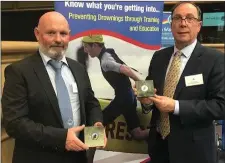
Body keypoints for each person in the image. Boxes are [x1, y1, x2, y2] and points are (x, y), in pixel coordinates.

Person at [1, 11, 106, 163]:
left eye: (63, 34)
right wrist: (61, 138)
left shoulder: (78, 68)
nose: (58, 39)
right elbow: (14, 123)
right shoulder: (18, 71)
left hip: (79, 156)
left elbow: (91, 103)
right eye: (51, 33)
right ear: (37, 34)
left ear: (69, 35)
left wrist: (97, 123)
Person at [137, 2, 225, 163]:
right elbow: (151, 95)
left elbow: (220, 106)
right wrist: (147, 102)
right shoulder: (159, 57)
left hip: (194, 152)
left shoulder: (215, 60)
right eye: (177, 18)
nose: (183, 23)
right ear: (171, 25)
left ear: (199, 26)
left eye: (189, 18)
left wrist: (175, 106)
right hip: (159, 148)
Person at [82, 35, 149, 140]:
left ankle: (87, 154)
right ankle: (160, 130)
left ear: (94, 45)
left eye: (86, 47)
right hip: (129, 97)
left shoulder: (106, 61)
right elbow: (126, 71)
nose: (85, 50)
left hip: (124, 98)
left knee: (95, 126)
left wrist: (146, 89)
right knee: (137, 134)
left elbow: (126, 70)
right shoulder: (108, 53)